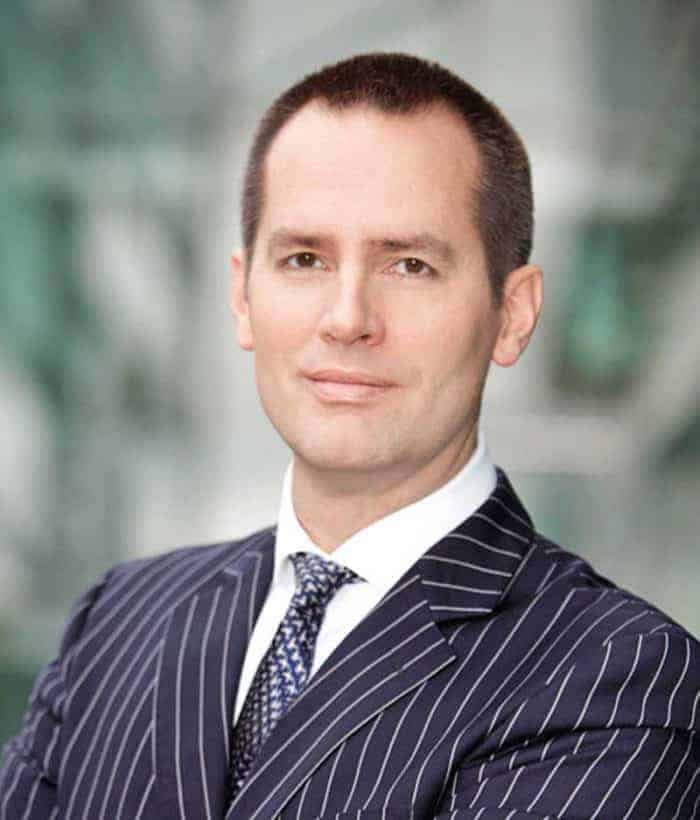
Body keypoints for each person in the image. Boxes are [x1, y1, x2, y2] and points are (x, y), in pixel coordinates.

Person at [1, 52, 698, 820]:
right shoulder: (117, 620)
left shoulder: (618, 675)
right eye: (304, 259)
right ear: (243, 295)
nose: (346, 319)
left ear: (513, 313)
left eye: (410, 265)